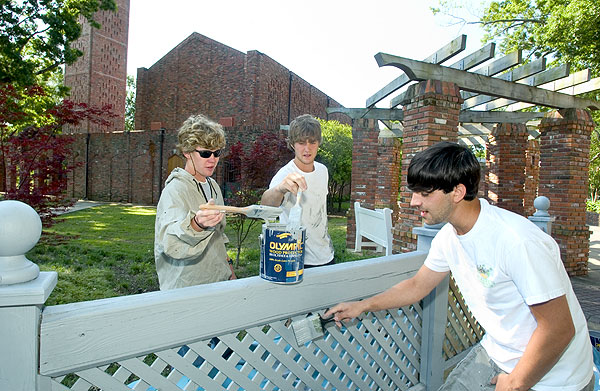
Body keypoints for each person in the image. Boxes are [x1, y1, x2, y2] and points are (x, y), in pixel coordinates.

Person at [326, 141, 594, 391]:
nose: (413, 201)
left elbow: (558, 329)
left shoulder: (517, 242)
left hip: (555, 375)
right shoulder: (449, 237)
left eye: (425, 193)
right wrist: (363, 305)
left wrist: (515, 383)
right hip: (499, 351)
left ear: (458, 192)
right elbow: (418, 285)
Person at [154, 114, 236, 290]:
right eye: (206, 153)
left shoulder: (212, 185)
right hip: (187, 287)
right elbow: (170, 241)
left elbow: (218, 237)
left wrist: (229, 270)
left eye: (217, 153)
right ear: (187, 152)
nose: (212, 159)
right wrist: (197, 224)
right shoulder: (175, 190)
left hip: (217, 282)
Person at [261, 114, 335, 268]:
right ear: (293, 144)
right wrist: (280, 189)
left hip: (326, 257)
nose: (307, 149)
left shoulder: (323, 171)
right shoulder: (285, 174)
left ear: (318, 143)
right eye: (301, 143)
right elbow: (265, 207)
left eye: (312, 142)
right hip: (296, 260)